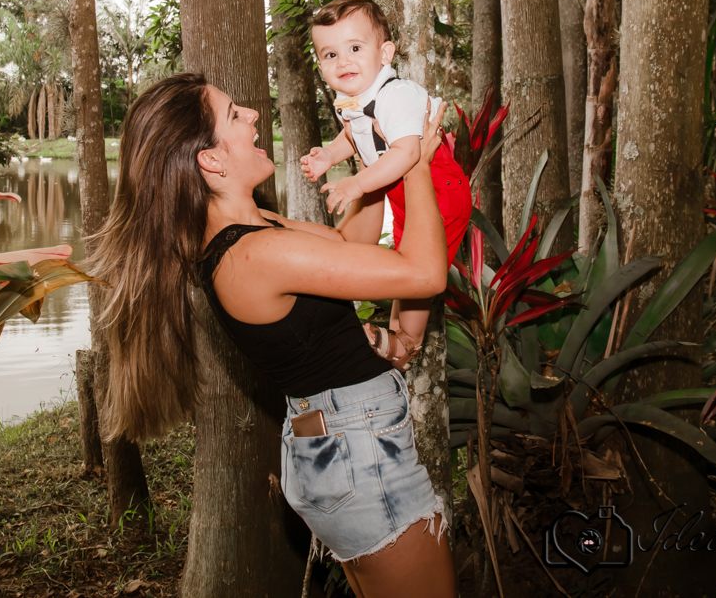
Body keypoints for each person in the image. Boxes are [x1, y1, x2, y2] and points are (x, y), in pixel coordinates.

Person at [88, 72, 458, 598]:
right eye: (235, 115)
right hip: (358, 451)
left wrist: (373, 160)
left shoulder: (251, 226)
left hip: (338, 444)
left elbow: (345, 242)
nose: (254, 115)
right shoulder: (252, 255)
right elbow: (424, 275)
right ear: (211, 161)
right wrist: (415, 157)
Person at [301, 0, 471, 369]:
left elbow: (408, 154)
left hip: (438, 192)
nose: (343, 61)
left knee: (416, 273)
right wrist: (329, 155)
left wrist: (357, 184)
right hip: (406, 191)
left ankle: (407, 344)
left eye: (355, 48)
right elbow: (356, 136)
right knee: (402, 264)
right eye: (330, 55)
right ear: (320, 65)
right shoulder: (354, 99)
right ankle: (397, 331)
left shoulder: (395, 95)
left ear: (385, 53)